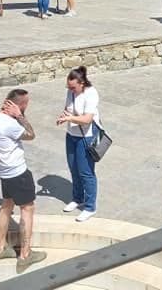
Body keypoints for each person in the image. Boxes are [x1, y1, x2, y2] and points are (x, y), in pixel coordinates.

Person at [0, 88, 47, 271]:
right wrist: (21, 117)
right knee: (27, 210)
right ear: (18, 106)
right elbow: (31, 135)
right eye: (25, 104)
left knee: (7, 205)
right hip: (17, 173)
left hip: (3, 171)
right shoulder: (10, 125)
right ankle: (25, 255)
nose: (27, 106)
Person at [56, 66, 100, 222]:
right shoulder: (71, 92)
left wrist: (69, 119)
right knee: (73, 168)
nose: (70, 90)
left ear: (82, 83)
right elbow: (68, 109)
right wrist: (64, 116)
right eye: (68, 87)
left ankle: (90, 207)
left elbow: (87, 119)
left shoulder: (91, 93)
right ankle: (77, 198)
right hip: (72, 134)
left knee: (86, 172)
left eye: (73, 87)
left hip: (86, 137)